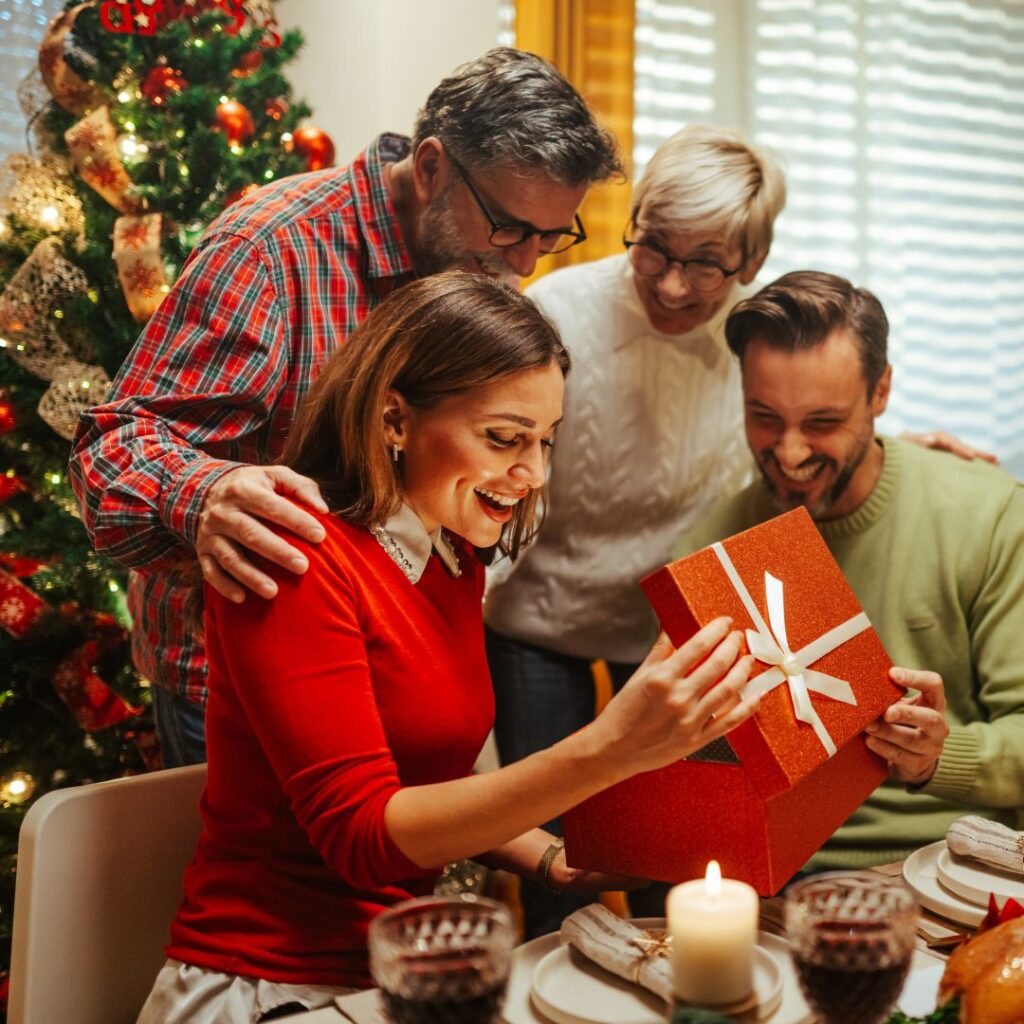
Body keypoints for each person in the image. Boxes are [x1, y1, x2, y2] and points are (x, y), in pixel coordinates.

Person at [134, 272, 761, 1023]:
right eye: (504, 439)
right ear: (394, 418)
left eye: (546, 441)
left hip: (400, 972)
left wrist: (549, 858)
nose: (533, 475)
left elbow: (431, 771)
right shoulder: (297, 561)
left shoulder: (451, 556)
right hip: (274, 985)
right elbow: (364, 837)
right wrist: (609, 749)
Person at [68, 48, 622, 767]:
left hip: (403, 670)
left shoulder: (480, 260)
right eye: (512, 229)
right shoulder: (271, 250)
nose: (524, 265)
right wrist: (203, 495)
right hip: (240, 686)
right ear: (431, 168)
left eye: (552, 238)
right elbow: (109, 451)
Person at [483, 124, 785, 934]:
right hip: (540, 614)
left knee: (679, 857)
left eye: (707, 264)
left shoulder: (759, 337)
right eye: (655, 249)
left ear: (751, 263)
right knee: (561, 856)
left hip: (672, 624)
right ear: (635, 220)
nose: (676, 286)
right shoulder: (557, 313)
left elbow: (802, 428)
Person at [675, 270, 1024, 869]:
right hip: (770, 879)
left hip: (952, 863)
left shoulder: (988, 515)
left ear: (880, 393)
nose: (789, 453)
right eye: (764, 417)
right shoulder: (713, 546)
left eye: (822, 423)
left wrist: (940, 755)